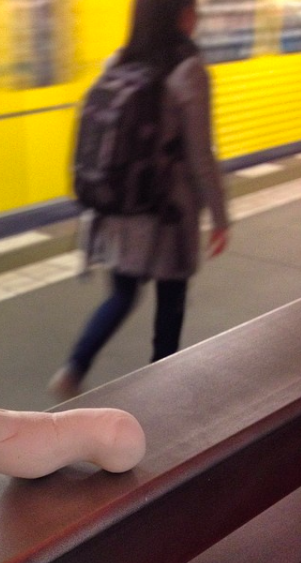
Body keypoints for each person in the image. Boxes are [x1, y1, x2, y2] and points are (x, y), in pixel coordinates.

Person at [48, 0, 229, 399]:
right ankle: (163, 387)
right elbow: (201, 156)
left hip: (119, 207)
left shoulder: (118, 62)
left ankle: (74, 367)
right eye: (192, 9)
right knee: (171, 301)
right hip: (168, 214)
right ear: (181, 15)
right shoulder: (189, 70)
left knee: (122, 294)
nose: (196, 17)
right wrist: (220, 217)